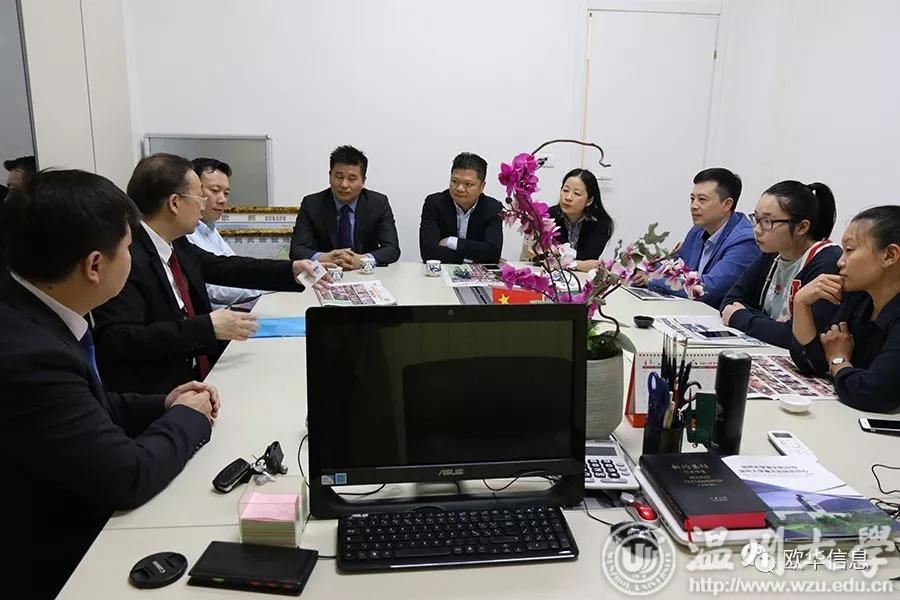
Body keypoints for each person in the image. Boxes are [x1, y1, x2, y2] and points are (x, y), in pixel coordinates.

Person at [0, 169, 219, 598]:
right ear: (95, 266)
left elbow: (87, 406)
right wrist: (190, 418)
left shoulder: (34, 308)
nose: (133, 260)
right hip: (53, 558)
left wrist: (163, 403)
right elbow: (128, 474)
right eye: (128, 248)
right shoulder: (29, 355)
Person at [93, 153, 328, 394]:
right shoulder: (126, 256)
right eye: (200, 197)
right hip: (161, 392)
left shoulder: (177, 243)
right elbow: (119, 339)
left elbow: (225, 267)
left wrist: (290, 270)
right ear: (174, 203)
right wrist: (206, 327)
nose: (204, 205)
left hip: (201, 371)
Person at [790, 206, 900, 413]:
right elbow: (812, 362)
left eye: (849, 250)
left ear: (889, 255)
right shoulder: (859, 297)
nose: (840, 262)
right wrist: (801, 303)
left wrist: (838, 360)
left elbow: (874, 393)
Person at [720, 180, 841, 348]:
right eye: (756, 218)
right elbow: (730, 301)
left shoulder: (827, 263)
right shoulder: (772, 253)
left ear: (801, 227)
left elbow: (799, 338)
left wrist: (741, 317)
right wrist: (770, 326)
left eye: (767, 221)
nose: (756, 229)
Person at [642, 167, 760, 307]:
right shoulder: (697, 230)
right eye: (692, 199)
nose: (694, 206)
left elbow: (706, 289)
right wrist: (645, 267)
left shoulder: (745, 241)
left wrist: (651, 280)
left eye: (702, 200)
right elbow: (676, 268)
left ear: (727, 204)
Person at [290, 145, 400, 268]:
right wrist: (323, 257)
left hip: (365, 273)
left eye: (352, 179)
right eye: (339, 177)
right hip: (325, 272)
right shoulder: (312, 204)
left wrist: (363, 260)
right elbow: (296, 249)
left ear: (363, 181)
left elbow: (392, 249)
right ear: (330, 176)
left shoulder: (378, 203)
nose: (344, 184)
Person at [186, 157, 269, 308]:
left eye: (226, 193)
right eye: (215, 191)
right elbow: (214, 290)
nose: (222, 200)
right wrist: (270, 284)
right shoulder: (184, 234)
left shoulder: (210, 229)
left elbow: (235, 270)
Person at [419, 152, 502, 264]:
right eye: (454, 181)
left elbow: (493, 253)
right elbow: (428, 252)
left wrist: (452, 242)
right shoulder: (434, 203)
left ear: (482, 186)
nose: (459, 188)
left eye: (468, 184)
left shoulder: (493, 208)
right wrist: (471, 257)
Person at [543, 168, 614, 272]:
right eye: (565, 190)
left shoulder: (601, 223)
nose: (568, 197)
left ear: (589, 200)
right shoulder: (548, 216)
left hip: (582, 278)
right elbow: (543, 258)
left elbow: (589, 260)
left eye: (577, 193)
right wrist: (577, 265)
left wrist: (564, 263)